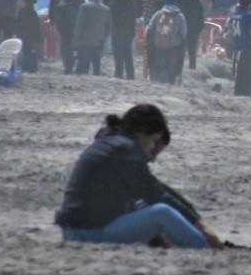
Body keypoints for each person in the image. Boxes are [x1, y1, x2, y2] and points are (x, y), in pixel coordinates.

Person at [55, 104, 222, 249]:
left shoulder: (110, 143)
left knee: (152, 210)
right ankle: (205, 247)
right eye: (154, 140)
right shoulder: (124, 149)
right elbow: (155, 193)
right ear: (142, 134)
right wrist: (202, 227)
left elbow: (152, 190)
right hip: (89, 234)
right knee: (161, 213)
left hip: (75, 231)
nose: (153, 147)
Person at [228, 0, 251, 98]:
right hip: (248, 46)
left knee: (240, 71)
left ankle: (238, 91)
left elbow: (230, 28)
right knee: (249, 71)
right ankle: (245, 92)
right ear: (249, 2)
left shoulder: (235, 14)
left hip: (238, 45)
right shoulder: (248, 15)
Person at [147, 0, 187, 85]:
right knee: (171, 66)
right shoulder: (180, 16)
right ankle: (170, 82)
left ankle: (157, 81)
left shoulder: (158, 14)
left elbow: (150, 28)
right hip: (173, 46)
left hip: (158, 44)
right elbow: (184, 33)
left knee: (159, 64)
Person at [49, 0, 85, 75]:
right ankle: (72, 64)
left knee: (66, 44)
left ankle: (69, 64)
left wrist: (52, 20)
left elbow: (52, 6)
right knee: (71, 43)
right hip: (70, 21)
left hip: (65, 21)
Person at [109, 0, 141, 80]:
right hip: (130, 28)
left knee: (118, 51)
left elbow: (113, 11)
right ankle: (130, 74)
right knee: (127, 52)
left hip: (118, 27)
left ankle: (118, 73)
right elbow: (139, 11)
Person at [73, 0, 110, 76]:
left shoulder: (84, 7)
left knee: (83, 64)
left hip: (85, 40)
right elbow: (108, 26)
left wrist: (76, 39)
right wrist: (104, 37)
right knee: (96, 63)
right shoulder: (106, 9)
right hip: (99, 39)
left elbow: (79, 24)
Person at [177, 0, 206, 70]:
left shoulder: (180, 0)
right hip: (193, 31)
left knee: (179, 50)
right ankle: (192, 68)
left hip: (180, 29)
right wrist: (198, 30)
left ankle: (178, 68)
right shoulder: (198, 2)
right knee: (192, 51)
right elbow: (201, 19)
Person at [16, 0, 42, 73]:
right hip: (27, 38)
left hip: (29, 38)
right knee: (28, 53)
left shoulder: (29, 9)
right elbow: (27, 27)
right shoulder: (25, 10)